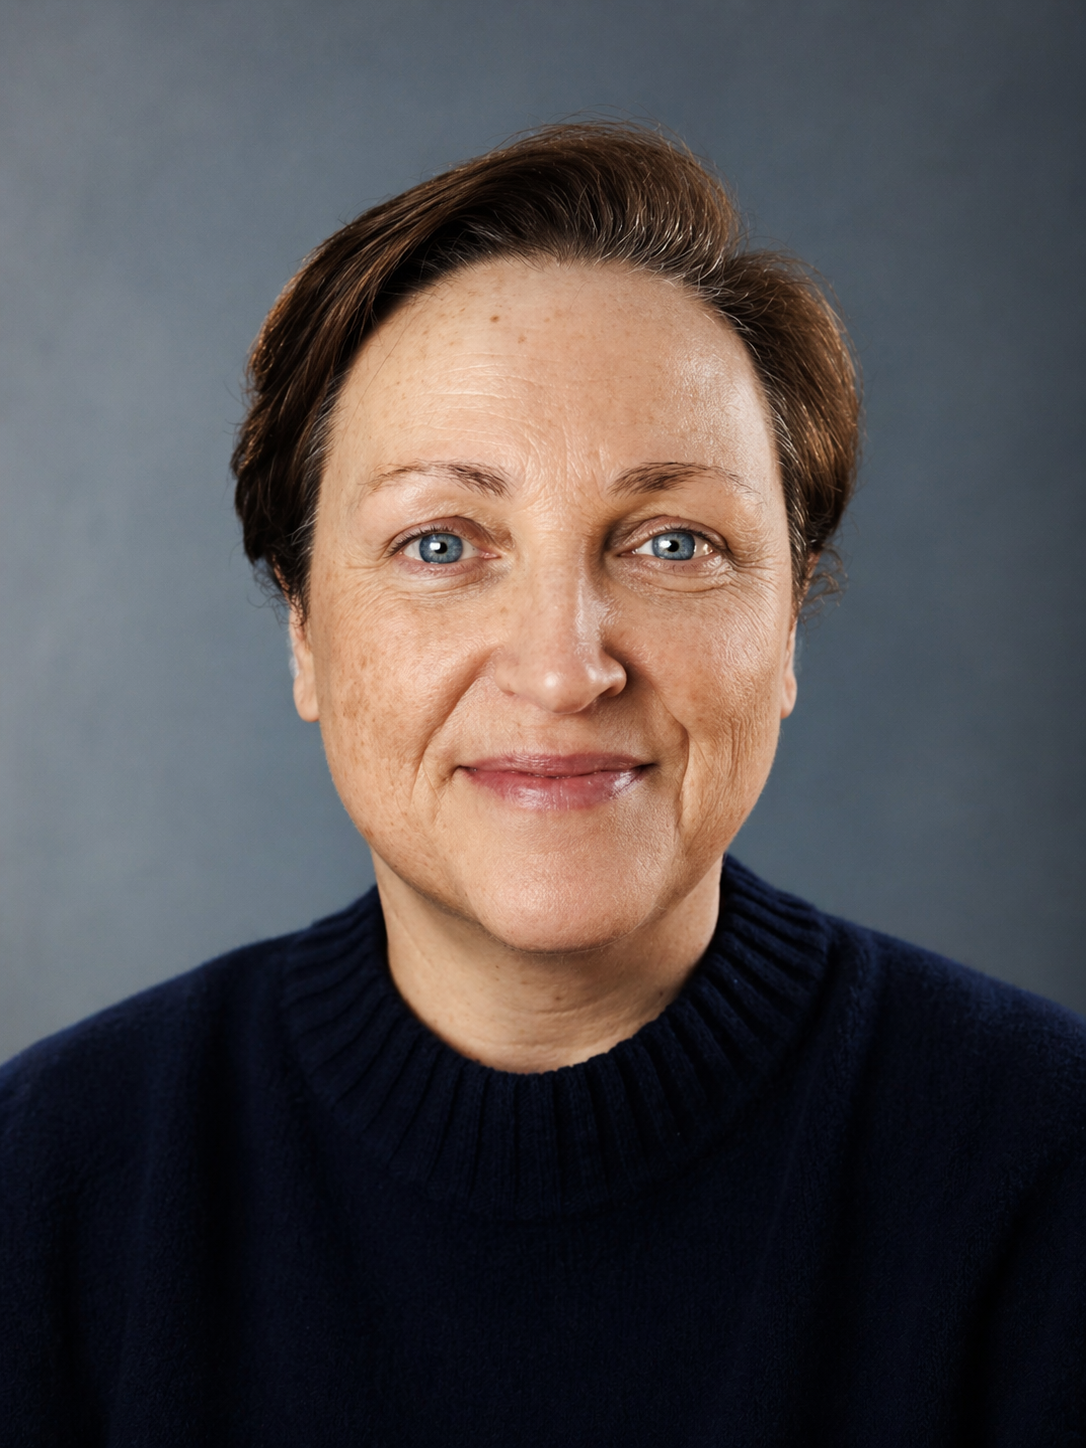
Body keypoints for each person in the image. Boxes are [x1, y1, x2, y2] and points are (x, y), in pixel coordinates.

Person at [2, 122, 1083, 1446]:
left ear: (789, 621)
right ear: (302, 629)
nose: (565, 671)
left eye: (674, 541)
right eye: (442, 541)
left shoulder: (1045, 1171)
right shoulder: (44, 1182)